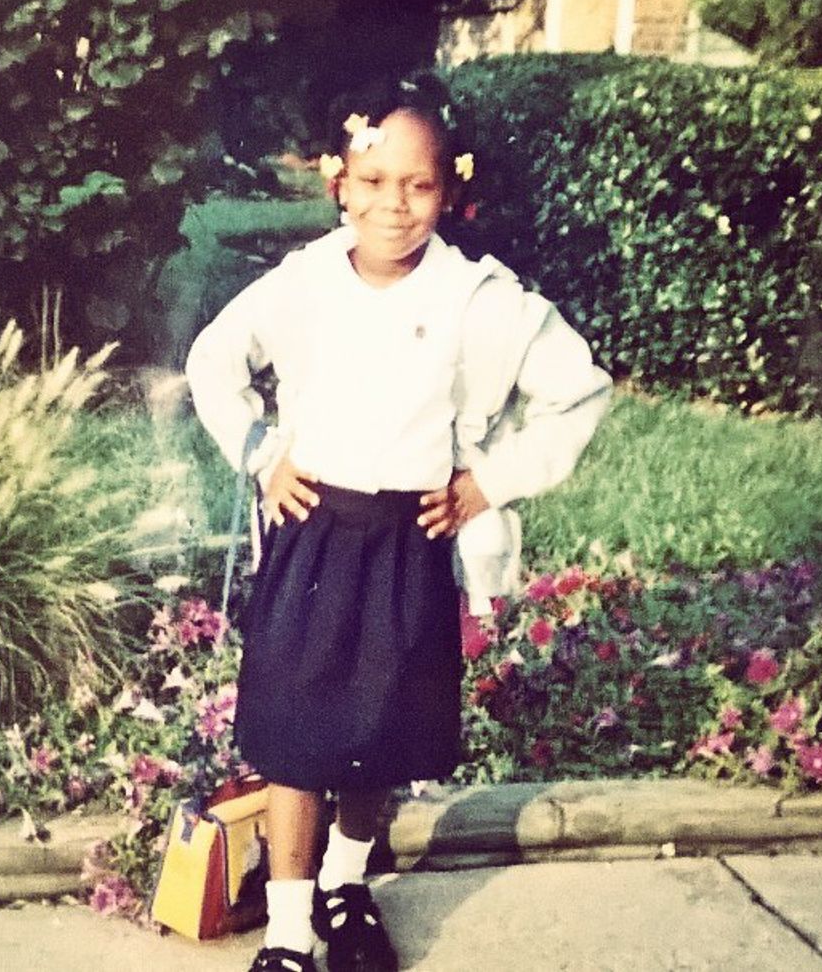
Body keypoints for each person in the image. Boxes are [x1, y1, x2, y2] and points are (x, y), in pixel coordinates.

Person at [185, 74, 612, 972]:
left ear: (448, 190)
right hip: (313, 532)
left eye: (418, 185)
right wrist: (263, 454)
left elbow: (578, 389)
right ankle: (290, 927)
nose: (395, 204)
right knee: (298, 736)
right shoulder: (303, 285)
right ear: (338, 182)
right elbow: (215, 359)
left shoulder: (477, 298)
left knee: (377, 730)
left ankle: (346, 886)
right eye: (374, 182)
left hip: (409, 539)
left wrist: (490, 481)